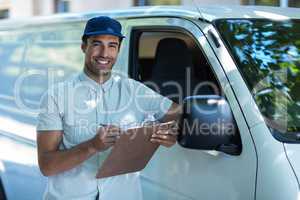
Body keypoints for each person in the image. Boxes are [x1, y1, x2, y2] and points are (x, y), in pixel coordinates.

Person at [36, 16, 180, 200]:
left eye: (112, 45)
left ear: (118, 50)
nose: (105, 53)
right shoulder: (56, 97)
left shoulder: (134, 90)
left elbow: (178, 114)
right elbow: (47, 165)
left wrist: (173, 133)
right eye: (97, 44)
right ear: (83, 46)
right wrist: (92, 146)